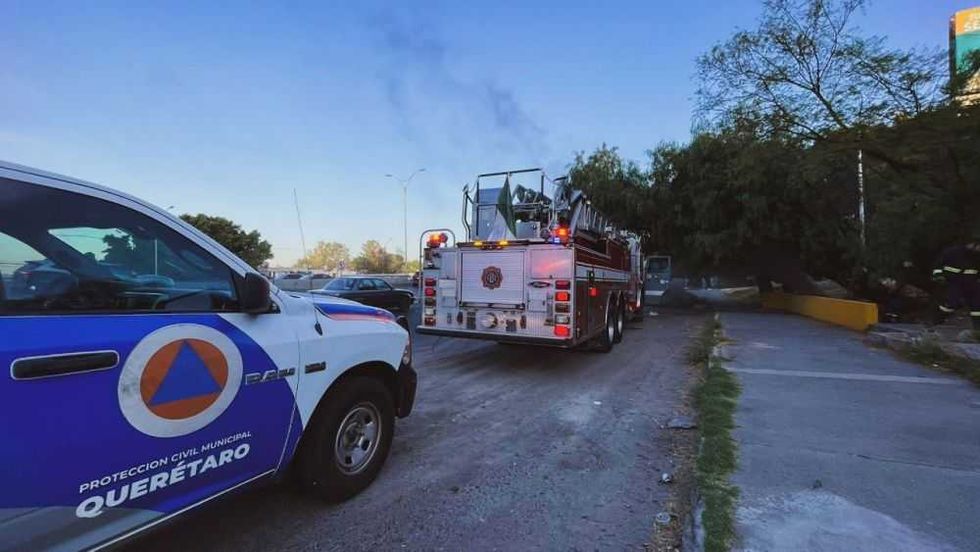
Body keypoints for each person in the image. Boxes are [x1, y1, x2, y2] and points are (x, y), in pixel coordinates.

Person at [931, 235, 980, 330]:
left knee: (977, 306)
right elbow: (938, 265)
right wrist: (938, 276)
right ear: (972, 245)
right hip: (954, 282)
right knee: (952, 303)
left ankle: (977, 328)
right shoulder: (952, 252)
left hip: (972, 283)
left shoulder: (977, 256)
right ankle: (936, 321)